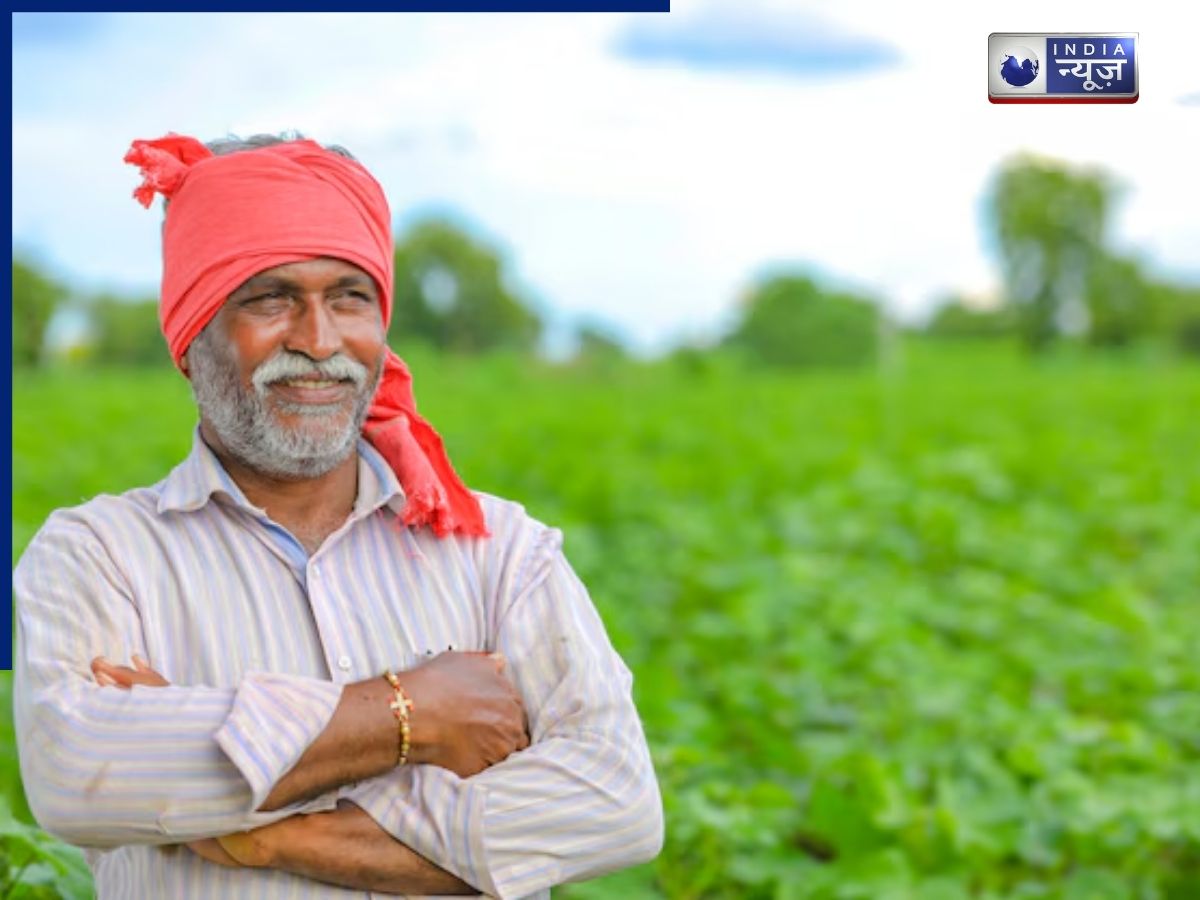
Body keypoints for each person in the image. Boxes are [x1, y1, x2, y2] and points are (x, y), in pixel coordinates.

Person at [11, 132, 663, 899]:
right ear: (190, 340)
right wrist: (412, 712)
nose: (319, 342)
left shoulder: (498, 550)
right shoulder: (98, 555)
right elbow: (78, 775)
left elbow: (618, 803)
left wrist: (269, 834)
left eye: (349, 297)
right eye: (270, 298)